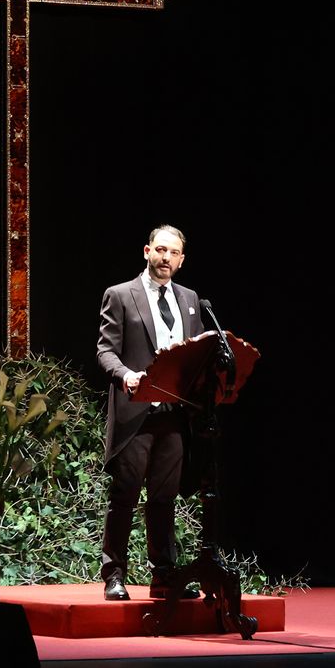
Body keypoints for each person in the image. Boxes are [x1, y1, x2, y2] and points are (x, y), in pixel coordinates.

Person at [96, 225, 205, 601]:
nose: (165, 258)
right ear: (146, 251)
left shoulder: (190, 299)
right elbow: (105, 351)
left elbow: (196, 354)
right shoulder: (121, 295)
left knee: (164, 498)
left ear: (181, 260)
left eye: (172, 253)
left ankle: (164, 577)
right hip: (136, 411)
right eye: (159, 250)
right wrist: (126, 375)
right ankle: (114, 574)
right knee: (124, 494)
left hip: (174, 415)